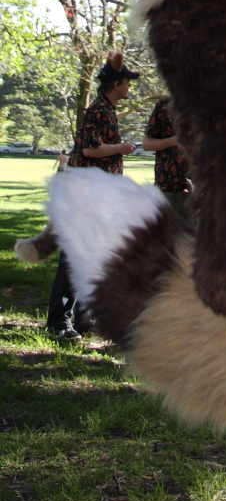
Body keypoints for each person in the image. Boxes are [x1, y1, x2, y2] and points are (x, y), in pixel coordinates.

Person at [46, 53, 138, 339]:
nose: (129, 87)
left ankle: (83, 317)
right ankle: (59, 322)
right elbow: (90, 149)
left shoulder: (106, 109)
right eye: (127, 82)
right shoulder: (99, 110)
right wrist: (120, 148)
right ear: (117, 84)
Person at [142, 97, 192, 221]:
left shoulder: (208, 105)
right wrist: (174, 140)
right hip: (167, 185)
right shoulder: (164, 105)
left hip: (199, 187)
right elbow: (147, 144)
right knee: (167, 229)